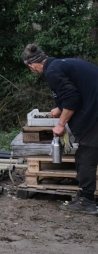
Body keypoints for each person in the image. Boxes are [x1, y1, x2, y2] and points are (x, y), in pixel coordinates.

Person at [23, 43, 98, 213]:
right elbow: (75, 90)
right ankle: (85, 196)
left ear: (32, 65)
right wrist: (59, 109)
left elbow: (72, 99)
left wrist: (60, 124)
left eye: (31, 69)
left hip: (95, 113)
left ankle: (87, 202)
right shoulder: (60, 64)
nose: (33, 71)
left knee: (86, 156)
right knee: (86, 154)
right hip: (93, 107)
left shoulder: (52, 71)